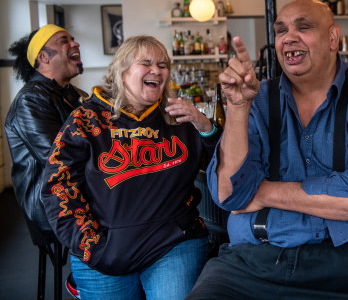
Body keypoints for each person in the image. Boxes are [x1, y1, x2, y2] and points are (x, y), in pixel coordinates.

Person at [187, 0, 348, 300]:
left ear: (333, 37)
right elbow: (229, 194)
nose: (289, 37)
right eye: (281, 31)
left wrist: (263, 192)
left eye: (303, 27)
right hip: (256, 263)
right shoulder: (259, 98)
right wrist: (238, 107)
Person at [41, 35, 221, 300]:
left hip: (173, 244)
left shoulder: (179, 117)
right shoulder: (85, 119)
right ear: (122, 73)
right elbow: (58, 184)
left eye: (162, 65)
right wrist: (90, 243)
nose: (157, 70)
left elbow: (227, 167)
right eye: (146, 63)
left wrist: (206, 128)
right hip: (106, 251)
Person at [5, 24, 85, 244]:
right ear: (43, 57)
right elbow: (58, 159)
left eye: (73, 39)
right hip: (51, 206)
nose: (75, 43)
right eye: (63, 40)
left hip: (78, 193)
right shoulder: (29, 100)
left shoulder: (73, 94)